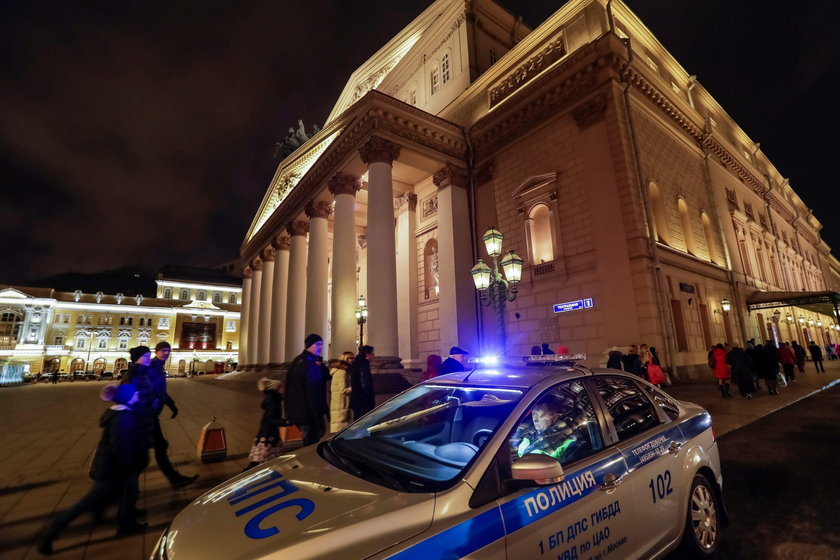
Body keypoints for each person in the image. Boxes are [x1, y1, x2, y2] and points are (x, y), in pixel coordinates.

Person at [37, 384, 147, 554]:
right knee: (88, 502)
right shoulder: (122, 417)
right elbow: (119, 446)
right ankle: (53, 530)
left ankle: (126, 524)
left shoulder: (122, 412)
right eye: (136, 393)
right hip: (112, 469)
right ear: (128, 397)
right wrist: (128, 466)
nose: (138, 395)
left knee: (131, 491)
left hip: (117, 467)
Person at [148, 342, 197, 488]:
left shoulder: (158, 366)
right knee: (155, 448)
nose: (166, 353)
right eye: (163, 350)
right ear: (156, 351)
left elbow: (161, 391)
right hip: (147, 415)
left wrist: (172, 405)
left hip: (151, 414)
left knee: (156, 447)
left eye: (168, 351)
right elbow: (153, 391)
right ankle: (175, 479)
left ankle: (175, 479)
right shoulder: (153, 367)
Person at [285, 334, 329, 446]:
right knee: (311, 445)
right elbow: (312, 392)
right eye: (318, 344)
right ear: (310, 345)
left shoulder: (297, 360)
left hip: (299, 412)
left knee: (308, 442)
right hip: (309, 413)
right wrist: (317, 418)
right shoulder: (310, 364)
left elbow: (288, 387)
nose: (321, 347)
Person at [512, 394, 579, 461]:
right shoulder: (525, 428)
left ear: (554, 417)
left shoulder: (570, 441)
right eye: (534, 414)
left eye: (540, 415)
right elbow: (513, 446)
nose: (535, 420)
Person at [243, 378, 287, 471]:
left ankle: (276, 470)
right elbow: (270, 419)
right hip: (268, 432)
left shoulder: (274, 399)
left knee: (268, 455)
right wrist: (285, 422)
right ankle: (247, 473)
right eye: (281, 387)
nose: (284, 389)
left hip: (269, 431)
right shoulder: (273, 401)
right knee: (260, 457)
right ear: (276, 389)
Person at [329, 352, 354, 432]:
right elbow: (343, 390)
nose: (352, 360)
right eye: (350, 358)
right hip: (341, 405)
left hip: (340, 405)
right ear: (345, 360)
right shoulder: (342, 372)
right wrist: (356, 387)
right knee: (340, 431)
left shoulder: (342, 371)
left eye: (353, 358)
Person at [349, 345, 376, 420]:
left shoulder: (356, 364)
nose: (373, 356)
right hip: (364, 401)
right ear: (367, 354)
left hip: (357, 400)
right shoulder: (363, 365)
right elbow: (364, 383)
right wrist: (369, 396)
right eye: (372, 354)